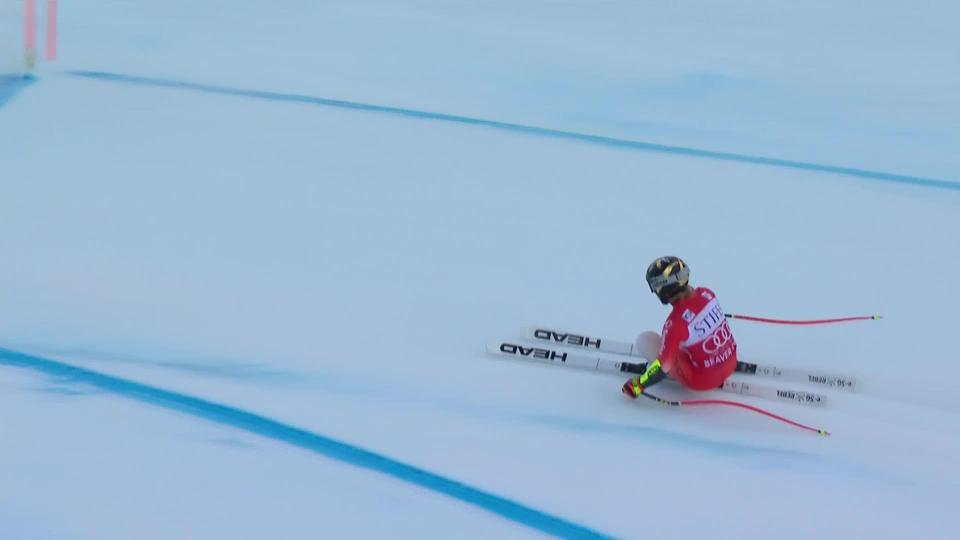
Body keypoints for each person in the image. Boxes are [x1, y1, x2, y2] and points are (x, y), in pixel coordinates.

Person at [622, 256, 738, 398]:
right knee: (687, 337)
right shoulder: (707, 293)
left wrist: (638, 385)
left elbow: (664, 367)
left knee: (645, 341)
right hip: (731, 362)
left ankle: (671, 369)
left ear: (665, 288)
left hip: (701, 381)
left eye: (656, 287)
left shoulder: (674, 323)